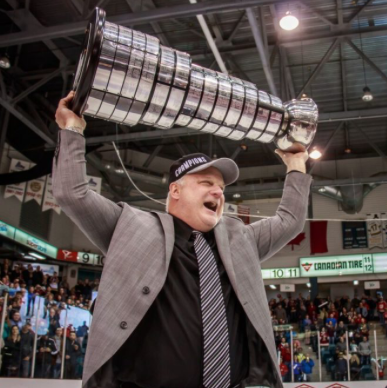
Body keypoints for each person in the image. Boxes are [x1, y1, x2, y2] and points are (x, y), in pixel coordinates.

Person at [54, 91, 312, 388]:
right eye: (206, 183)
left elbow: (290, 221)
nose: (218, 192)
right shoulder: (130, 227)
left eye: (220, 187)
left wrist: (296, 164)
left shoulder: (241, 238)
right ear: (175, 191)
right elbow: (72, 194)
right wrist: (72, 129)